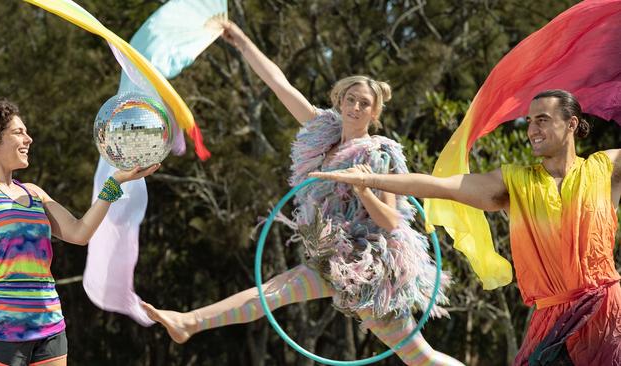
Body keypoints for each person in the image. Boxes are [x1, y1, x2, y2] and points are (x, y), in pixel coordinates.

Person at [142, 21, 463, 365]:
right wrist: (243, 42)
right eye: (350, 99)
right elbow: (279, 84)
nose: (355, 108)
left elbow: (391, 220)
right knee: (272, 293)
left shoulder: (378, 154)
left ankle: (189, 322)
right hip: (331, 257)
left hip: (368, 270)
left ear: (374, 112)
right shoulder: (322, 131)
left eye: (364, 103)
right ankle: (188, 322)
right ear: (340, 101)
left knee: (420, 358)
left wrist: (365, 189)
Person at [312, 89, 621, 365]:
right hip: (551, 321)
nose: (532, 130)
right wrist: (369, 180)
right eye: (528, 121)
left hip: (608, 314)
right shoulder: (513, 181)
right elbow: (440, 186)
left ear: (571, 124)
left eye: (542, 120)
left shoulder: (605, 169)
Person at [0, 100, 159, 366]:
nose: (29, 139)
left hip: (50, 326)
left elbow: (79, 233)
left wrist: (115, 181)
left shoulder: (34, 193)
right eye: (18, 132)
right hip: (1, 327)